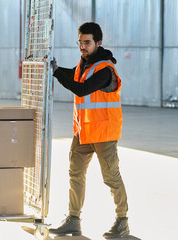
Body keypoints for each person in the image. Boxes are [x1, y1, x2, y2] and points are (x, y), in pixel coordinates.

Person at [49, 22, 130, 239]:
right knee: (75, 174)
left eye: (87, 42)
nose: (83, 47)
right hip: (83, 132)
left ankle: (122, 222)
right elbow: (73, 75)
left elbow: (82, 88)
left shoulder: (104, 70)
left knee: (111, 177)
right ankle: (73, 221)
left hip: (104, 133)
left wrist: (56, 73)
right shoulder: (84, 65)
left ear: (98, 43)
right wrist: (55, 68)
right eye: (80, 42)